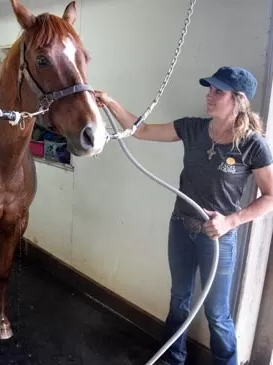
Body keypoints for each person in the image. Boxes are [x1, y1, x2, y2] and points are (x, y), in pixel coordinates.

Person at [95, 66, 273, 365]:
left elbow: (270, 196)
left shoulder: (253, 144)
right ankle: (172, 358)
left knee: (217, 313)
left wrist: (231, 221)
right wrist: (110, 103)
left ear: (238, 99)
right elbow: (143, 131)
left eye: (218, 91)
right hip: (181, 228)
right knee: (179, 300)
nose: (210, 95)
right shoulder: (192, 128)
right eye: (210, 89)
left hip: (218, 238)